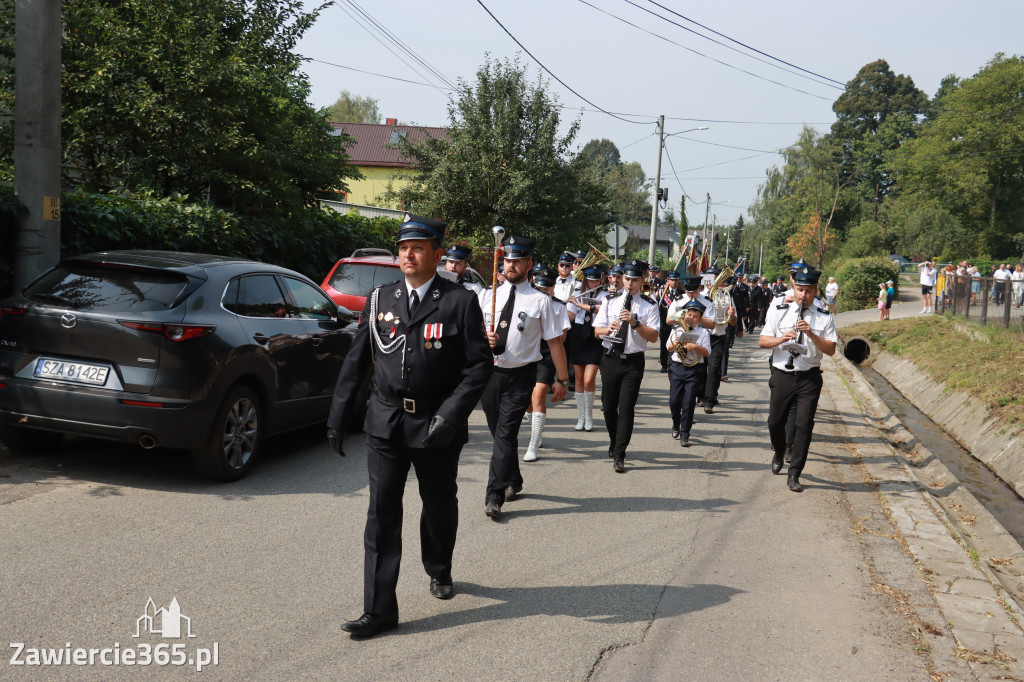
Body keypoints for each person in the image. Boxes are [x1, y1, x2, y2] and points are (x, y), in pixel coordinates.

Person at [326, 213, 493, 638]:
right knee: (381, 514)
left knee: (438, 505)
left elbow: (478, 367)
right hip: (385, 421)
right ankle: (379, 610)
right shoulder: (381, 299)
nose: (407, 253)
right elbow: (358, 361)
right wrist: (338, 416)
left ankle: (439, 567)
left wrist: (451, 415)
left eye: (417, 247)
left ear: (437, 254)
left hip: (437, 423)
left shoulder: (459, 302)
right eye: (402, 247)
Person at [479, 235, 569, 518]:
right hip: (490, 374)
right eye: (507, 260)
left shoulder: (541, 301)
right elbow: (471, 335)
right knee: (499, 436)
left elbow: (554, 342)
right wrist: (484, 339)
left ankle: (494, 495)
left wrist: (562, 379)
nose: (511, 265)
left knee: (505, 434)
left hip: (521, 376)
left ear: (528, 264)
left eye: (517, 261)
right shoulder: (488, 294)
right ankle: (514, 479)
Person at [759, 266, 838, 493]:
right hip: (782, 374)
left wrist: (812, 334)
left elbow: (831, 350)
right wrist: (780, 339)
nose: (804, 295)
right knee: (775, 422)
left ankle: (794, 474)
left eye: (809, 290)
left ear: (815, 291)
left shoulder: (824, 317)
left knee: (804, 426)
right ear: (794, 288)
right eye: (800, 289)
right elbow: (763, 341)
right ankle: (779, 450)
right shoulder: (779, 310)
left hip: (808, 378)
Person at [593, 259, 661, 473]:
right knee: (608, 406)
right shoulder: (610, 300)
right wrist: (608, 329)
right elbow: (596, 331)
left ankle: (620, 453)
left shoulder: (649, 305)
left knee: (626, 408)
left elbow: (653, 337)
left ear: (642, 281)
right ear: (622, 279)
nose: (629, 283)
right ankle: (615, 440)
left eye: (634, 279)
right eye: (627, 278)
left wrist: (635, 323)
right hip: (610, 358)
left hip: (633, 361)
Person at [522, 267, 571, 462]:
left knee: (539, 393)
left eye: (548, 288)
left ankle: (533, 443)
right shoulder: (526, 301)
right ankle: (537, 429)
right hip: (526, 352)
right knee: (527, 401)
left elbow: (562, 338)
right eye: (540, 287)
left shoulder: (558, 306)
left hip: (547, 353)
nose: (544, 292)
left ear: (553, 287)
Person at [566, 264, 609, 432]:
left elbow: (600, 310)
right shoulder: (577, 293)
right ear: (586, 281)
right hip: (578, 335)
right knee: (578, 379)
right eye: (590, 281)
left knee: (589, 379)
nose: (593, 283)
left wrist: (580, 304)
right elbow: (571, 316)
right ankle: (581, 417)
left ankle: (589, 415)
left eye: (596, 280)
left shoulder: (605, 295)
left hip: (595, 336)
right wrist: (563, 307)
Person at [666, 299, 711, 447]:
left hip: (694, 369)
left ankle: (685, 434)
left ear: (699, 319)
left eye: (695, 316)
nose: (691, 318)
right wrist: (676, 342)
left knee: (689, 403)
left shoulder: (704, 332)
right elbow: (668, 348)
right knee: (674, 401)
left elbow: (707, 352)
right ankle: (675, 423)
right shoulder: (677, 329)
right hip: (677, 367)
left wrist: (696, 347)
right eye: (689, 315)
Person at [655, 271, 683, 373]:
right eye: (672, 280)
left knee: (676, 344)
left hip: (678, 324)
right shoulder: (662, 292)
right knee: (664, 345)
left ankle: (673, 363)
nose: (674, 282)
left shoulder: (682, 293)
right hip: (664, 323)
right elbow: (656, 305)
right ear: (668, 280)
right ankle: (664, 364)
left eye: (676, 280)